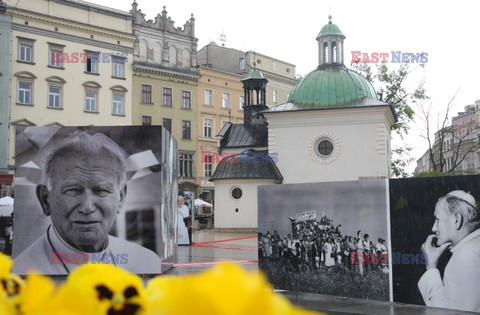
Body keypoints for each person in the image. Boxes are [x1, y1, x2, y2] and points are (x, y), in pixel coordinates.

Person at [13, 131, 162, 275]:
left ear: (121, 197)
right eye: (73, 190)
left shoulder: (147, 262)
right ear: (45, 200)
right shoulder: (23, 271)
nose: (87, 207)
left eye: (101, 190)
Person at [418, 190, 480, 312]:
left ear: (456, 219)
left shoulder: (467, 254)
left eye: (437, 219)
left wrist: (431, 266)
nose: (433, 228)